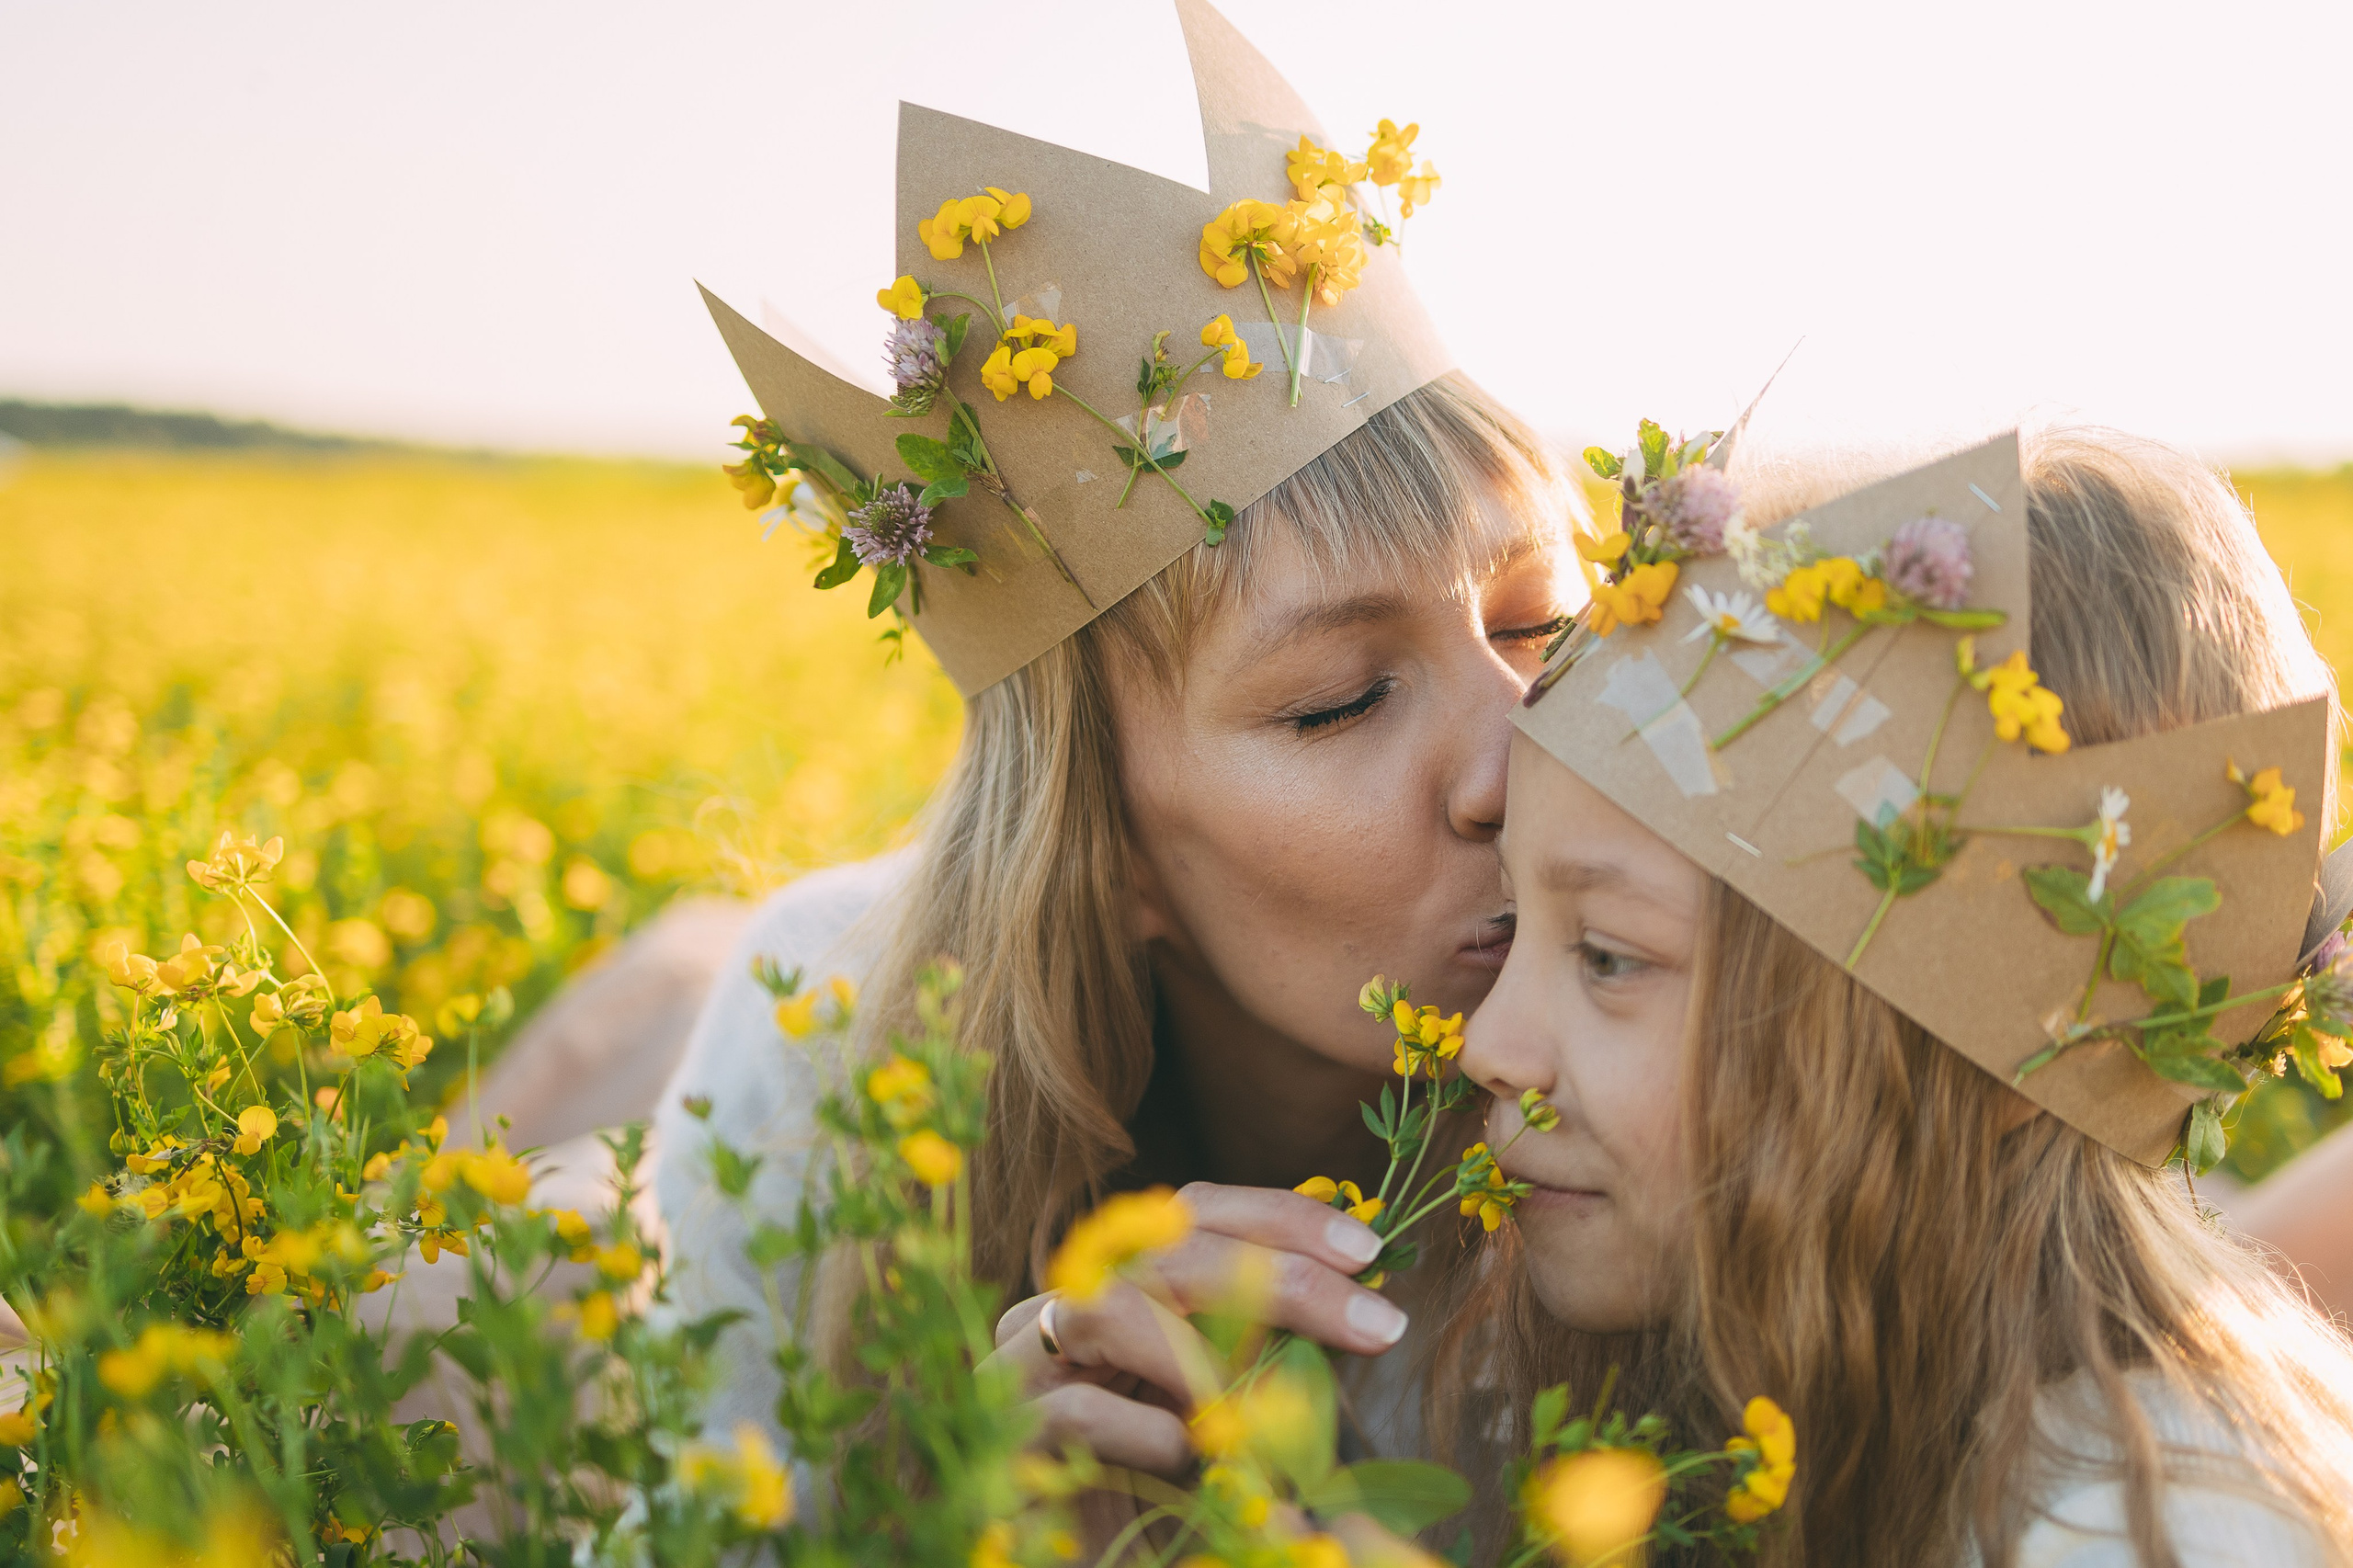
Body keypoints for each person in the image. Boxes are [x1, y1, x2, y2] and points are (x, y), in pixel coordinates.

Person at [656, 0, 1585, 1464]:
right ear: (1107, 847)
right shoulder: (820, 1077)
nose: (1526, 753)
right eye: (1339, 697)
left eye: (1544, 628)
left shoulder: (1707, 1104)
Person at [1437, 426, 2353, 1565]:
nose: (1491, 1044)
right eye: (1519, 925)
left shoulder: (2136, 1536)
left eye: (1610, 956)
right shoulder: (1743, 1418)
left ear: (2016, 1036)